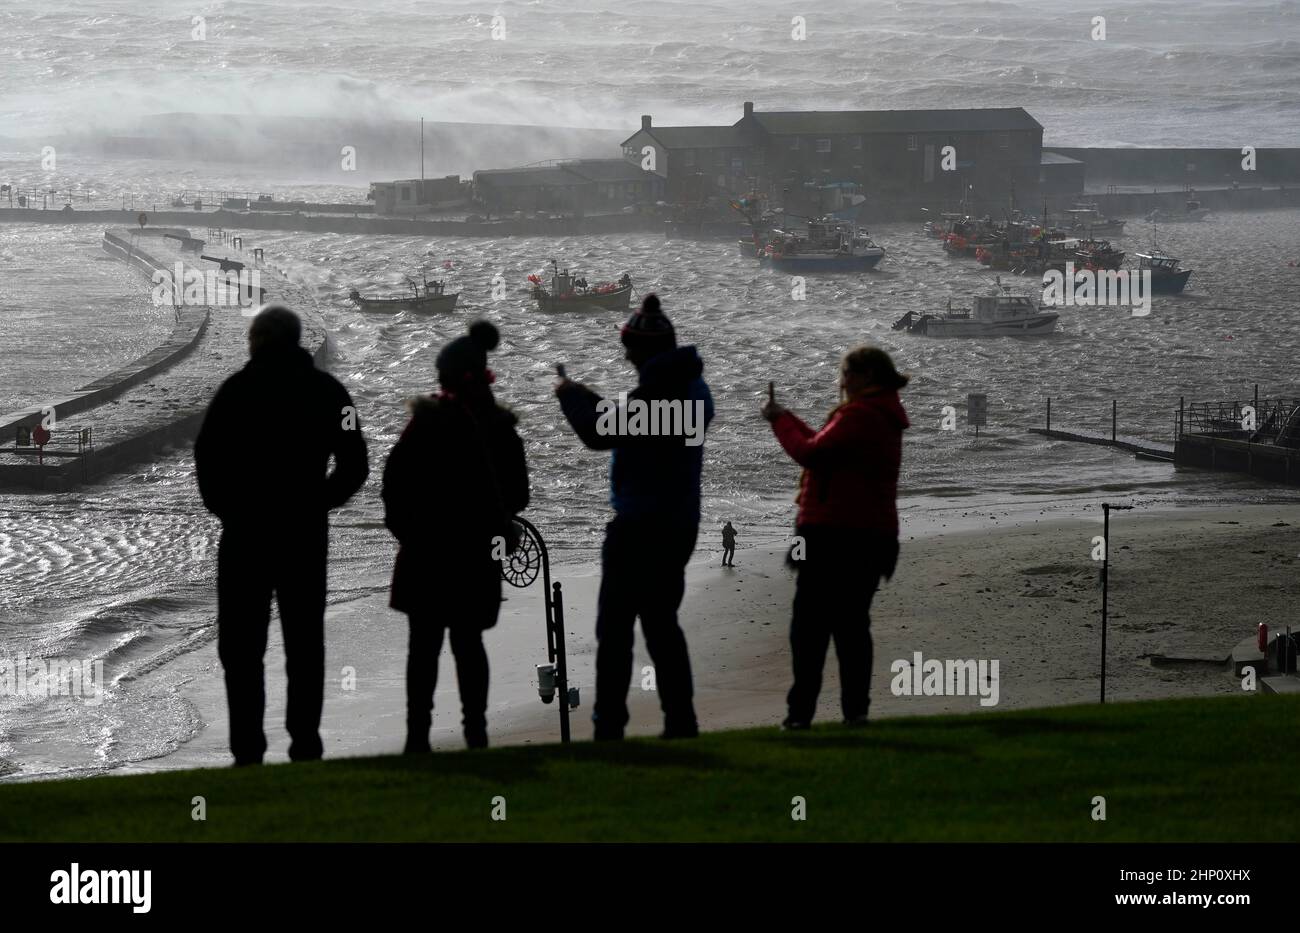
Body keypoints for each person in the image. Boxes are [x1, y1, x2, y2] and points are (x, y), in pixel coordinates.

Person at [194, 305, 369, 765]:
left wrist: (225, 506)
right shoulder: (329, 392)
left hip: (245, 532)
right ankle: (305, 743)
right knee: (305, 642)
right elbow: (356, 463)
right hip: (303, 533)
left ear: (256, 341)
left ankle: (247, 749)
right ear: (295, 340)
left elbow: (206, 456)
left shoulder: (235, 391)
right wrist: (320, 501)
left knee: (241, 646)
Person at [556, 294, 714, 740]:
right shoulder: (694, 392)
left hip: (639, 525)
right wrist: (591, 397)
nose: (625, 355)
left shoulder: (655, 393)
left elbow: (598, 433)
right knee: (662, 623)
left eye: (630, 348)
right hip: (680, 523)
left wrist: (571, 399)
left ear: (645, 350)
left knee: (615, 629)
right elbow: (636, 420)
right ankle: (681, 722)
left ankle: (609, 728)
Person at [382, 321, 528, 751]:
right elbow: (518, 494)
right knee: (469, 643)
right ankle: (476, 734)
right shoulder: (500, 427)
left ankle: (417, 739)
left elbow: (393, 486)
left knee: (422, 648)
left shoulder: (424, 424)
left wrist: (406, 532)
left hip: (424, 552)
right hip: (477, 554)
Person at [761, 345, 910, 730]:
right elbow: (824, 447)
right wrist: (786, 416)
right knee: (851, 627)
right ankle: (855, 712)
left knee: (809, 630)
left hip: (833, 537)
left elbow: (810, 453)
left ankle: (800, 716)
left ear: (866, 377)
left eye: (846, 373)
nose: (841, 382)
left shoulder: (861, 415)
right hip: (869, 537)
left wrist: (779, 422)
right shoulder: (880, 415)